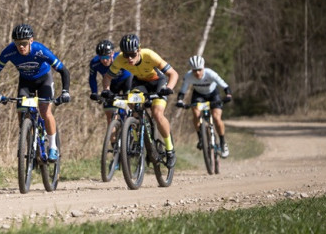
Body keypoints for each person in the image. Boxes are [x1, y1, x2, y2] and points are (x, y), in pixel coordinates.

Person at [0, 24, 71, 161]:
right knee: (21, 112)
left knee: (45, 111)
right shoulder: (10, 51)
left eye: (24, 43)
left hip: (44, 80)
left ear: (31, 41)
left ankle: (52, 147)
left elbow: (64, 70)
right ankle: (28, 143)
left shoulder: (40, 50)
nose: (21, 46)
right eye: (17, 43)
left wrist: (65, 92)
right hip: (26, 82)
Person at [102, 33, 179, 167]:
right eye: (126, 55)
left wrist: (169, 88)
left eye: (132, 54)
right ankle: (138, 138)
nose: (129, 58)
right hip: (140, 83)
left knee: (157, 113)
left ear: (139, 50)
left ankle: (170, 149)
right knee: (133, 105)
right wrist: (106, 90)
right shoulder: (120, 59)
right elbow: (107, 77)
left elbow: (173, 73)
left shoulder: (149, 55)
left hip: (158, 82)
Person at [175, 55, 233, 158]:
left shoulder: (210, 73)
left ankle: (223, 142)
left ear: (203, 67)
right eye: (194, 70)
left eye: (199, 70)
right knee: (195, 114)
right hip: (199, 95)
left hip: (213, 94)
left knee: (216, 117)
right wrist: (180, 100)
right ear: (191, 70)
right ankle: (201, 139)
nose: (197, 73)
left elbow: (224, 86)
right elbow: (183, 91)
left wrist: (228, 95)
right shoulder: (188, 76)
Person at [88, 39, 133, 125]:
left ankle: (136, 122)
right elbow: (92, 78)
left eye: (107, 57)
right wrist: (94, 92)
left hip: (127, 80)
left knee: (130, 101)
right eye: (102, 58)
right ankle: (114, 135)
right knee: (110, 114)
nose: (104, 60)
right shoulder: (94, 63)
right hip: (112, 84)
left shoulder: (120, 58)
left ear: (112, 54)